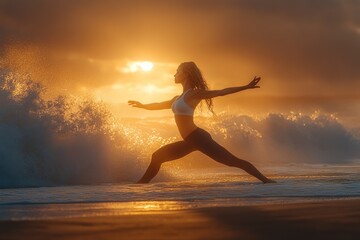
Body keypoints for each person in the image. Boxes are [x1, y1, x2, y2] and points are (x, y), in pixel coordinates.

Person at [128, 61, 275, 184]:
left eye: (177, 71)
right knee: (157, 157)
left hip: (199, 138)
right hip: (190, 141)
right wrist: (143, 105)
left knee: (232, 161)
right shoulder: (177, 98)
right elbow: (159, 104)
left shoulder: (194, 94)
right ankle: (140, 185)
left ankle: (265, 180)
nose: (174, 74)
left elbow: (222, 92)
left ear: (185, 74)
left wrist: (245, 87)